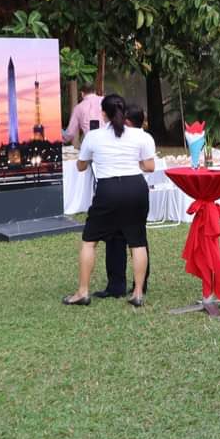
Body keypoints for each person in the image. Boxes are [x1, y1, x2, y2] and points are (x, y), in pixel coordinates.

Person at [62, 94, 156, 307]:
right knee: (138, 240)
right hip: (136, 187)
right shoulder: (142, 137)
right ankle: (138, 293)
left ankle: (82, 292)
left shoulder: (94, 137)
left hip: (108, 189)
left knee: (89, 241)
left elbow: (81, 166)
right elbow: (149, 165)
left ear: (103, 113)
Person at [93, 104, 153, 299]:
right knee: (127, 238)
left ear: (126, 121)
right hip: (134, 190)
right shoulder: (136, 137)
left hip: (121, 188)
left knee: (130, 239)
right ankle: (129, 286)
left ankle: (125, 285)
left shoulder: (134, 136)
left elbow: (149, 165)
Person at [63, 81, 103, 147]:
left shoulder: (78, 108)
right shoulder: (105, 100)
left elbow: (70, 134)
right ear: (95, 91)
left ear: (82, 93)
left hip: (91, 145)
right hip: (110, 144)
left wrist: (59, 135)